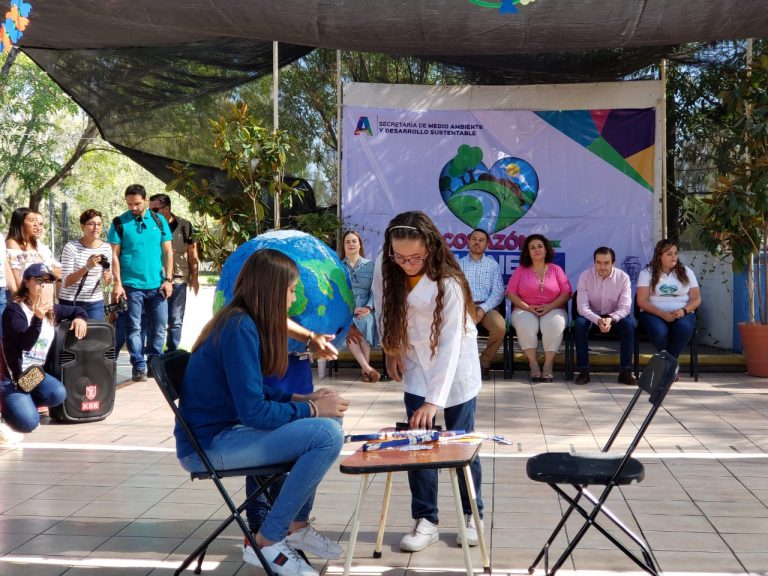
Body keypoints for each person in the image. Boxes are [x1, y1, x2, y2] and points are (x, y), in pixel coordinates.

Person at [176, 249, 348, 576]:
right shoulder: (239, 328)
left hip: (227, 434)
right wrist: (312, 408)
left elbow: (256, 391)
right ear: (272, 290)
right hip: (209, 446)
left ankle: (296, 526)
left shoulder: (241, 321)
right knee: (326, 434)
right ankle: (268, 540)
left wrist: (304, 396)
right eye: (291, 290)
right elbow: (254, 412)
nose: (293, 300)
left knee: (330, 420)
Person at [373, 210, 483, 552]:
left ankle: (471, 514)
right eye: (400, 257)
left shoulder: (449, 283)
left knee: (461, 443)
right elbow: (383, 307)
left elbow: (449, 346)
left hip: (455, 369)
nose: (407, 264)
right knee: (417, 444)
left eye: (416, 257)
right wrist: (391, 349)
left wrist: (434, 401)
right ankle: (426, 520)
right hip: (415, 363)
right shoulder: (385, 265)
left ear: (431, 248)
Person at [0, 264, 88, 437]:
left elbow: (78, 310)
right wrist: (38, 317)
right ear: (26, 282)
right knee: (29, 423)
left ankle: (24, 404)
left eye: (48, 282)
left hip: (33, 376)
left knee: (58, 394)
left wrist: (80, 318)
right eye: (39, 280)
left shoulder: (51, 309)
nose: (44, 285)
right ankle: (8, 407)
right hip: (12, 378)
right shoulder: (14, 310)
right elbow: (25, 343)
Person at [108, 184, 173, 382]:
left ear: (145, 200)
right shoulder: (119, 222)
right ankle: (139, 365)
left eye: (137, 203)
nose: (133, 208)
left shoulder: (159, 220)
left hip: (157, 285)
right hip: (131, 285)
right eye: (129, 204)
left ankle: (154, 362)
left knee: (160, 326)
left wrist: (168, 280)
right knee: (133, 327)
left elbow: (168, 251)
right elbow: (114, 255)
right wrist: (117, 284)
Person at [506, 233, 571, 383]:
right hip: (525, 309)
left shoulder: (556, 269)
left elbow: (566, 293)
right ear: (528, 252)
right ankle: (533, 364)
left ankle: (548, 365)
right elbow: (511, 294)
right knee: (525, 325)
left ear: (546, 249)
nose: (537, 250)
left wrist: (550, 307)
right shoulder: (521, 270)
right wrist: (528, 308)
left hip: (554, 308)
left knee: (555, 324)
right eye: (532, 247)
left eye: (540, 246)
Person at [574, 247, 635, 385]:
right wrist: (598, 320)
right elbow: (582, 307)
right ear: (594, 262)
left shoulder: (623, 278)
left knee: (629, 325)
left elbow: (625, 308)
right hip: (591, 315)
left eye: (606, 263)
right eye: (598, 262)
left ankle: (625, 371)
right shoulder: (585, 276)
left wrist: (611, 319)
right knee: (579, 324)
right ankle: (583, 371)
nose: (602, 267)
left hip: (614, 315)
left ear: (613, 263)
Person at [149, 193, 200, 352]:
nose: (151, 213)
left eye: (155, 210)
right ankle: (154, 354)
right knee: (157, 320)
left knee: (176, 321)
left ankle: (171, 353)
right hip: (156, 279)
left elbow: (192, 253)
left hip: (179, 279)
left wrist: (195, 278)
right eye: (150, 210)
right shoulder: (148, 226)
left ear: (167, 209)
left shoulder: (185, 226)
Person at [637, 238, 701, 362]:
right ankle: (671, 364)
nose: (674, 257)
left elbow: (696, 298)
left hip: (682, 312)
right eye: (669, 254)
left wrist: (684, 311)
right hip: (654, 313)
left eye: (676, 253)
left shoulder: (687, 271)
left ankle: (667, 364)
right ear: (659, 256)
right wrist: (662, 314)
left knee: (683, 328)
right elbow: (642, 301)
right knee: (659, 332)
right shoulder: (646, 273)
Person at [458, 229, 506, 380]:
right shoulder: (457, 264)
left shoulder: (492, 265)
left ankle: (484, 363)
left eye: (481, 240)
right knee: (454, 329)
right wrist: (467, 308)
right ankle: (463, 366)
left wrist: (482, 309)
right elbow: (453, 289)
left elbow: (498, 292)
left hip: (487, 307)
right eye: (474, 239)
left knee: (499, 328)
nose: (477, 242)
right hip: (463, 307)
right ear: (468, 241)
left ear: (487, 244)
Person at [59, 209, 113, 321]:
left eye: (99, 224)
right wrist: (87, 267)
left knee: (96, 332)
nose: (96, 227)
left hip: (94, 303)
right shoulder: (71, 247)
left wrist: (108, 279)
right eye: (92, 224)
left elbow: (106, 283)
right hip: (70, 303)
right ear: (82, 226)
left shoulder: (106, 248)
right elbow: (66, 282)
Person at [340, 230, 380, 382]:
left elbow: (375, 290)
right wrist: (351, 310)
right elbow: (337, 293)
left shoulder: (371, 266)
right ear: (343, 246)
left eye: (354, 241)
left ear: (360, 245)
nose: (351, 244)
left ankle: (365, 370)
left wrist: (368, 308)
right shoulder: (338, 267)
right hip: (345, 309)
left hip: (365, 308)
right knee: (350, 327)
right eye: (347, 241)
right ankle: (368, 370)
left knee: (365, 321)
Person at [6, 207, 61, 288]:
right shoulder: (12, 243)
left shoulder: (34, 243)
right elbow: (17, 275)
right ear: (20, 223)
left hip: (38, 289)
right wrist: (22, 294)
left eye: (36, 221)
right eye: (31, 220)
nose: (36, 224)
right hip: (24, 291)